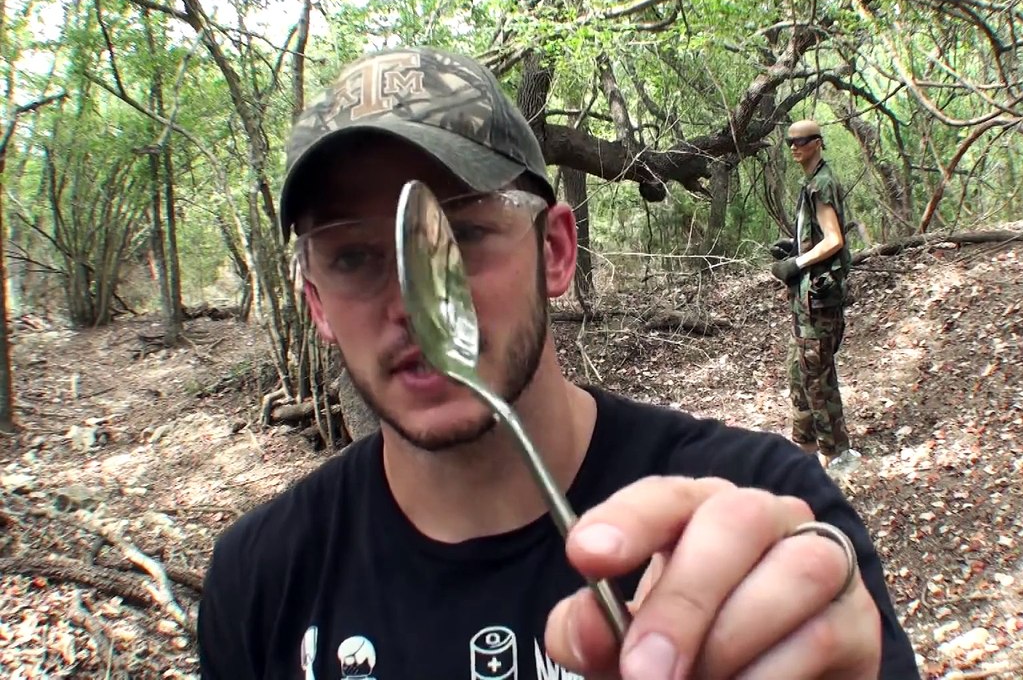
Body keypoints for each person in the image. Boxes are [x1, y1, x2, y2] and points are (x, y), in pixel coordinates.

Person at [197, 47, 920, 680]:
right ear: (316, 303)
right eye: (354, 257)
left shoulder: (755, 506)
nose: (410, 308)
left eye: (462, 235)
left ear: (555, 252)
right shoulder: (262, 583)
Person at [769, 120, 854, 471]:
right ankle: (802, 446)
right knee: (799, 372)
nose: (794, 147)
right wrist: (795, 245)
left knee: (817, 377)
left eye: (801, 141)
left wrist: (797, 262)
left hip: (819, 299)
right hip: (807, 301)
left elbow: (834, 239)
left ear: (817, 143)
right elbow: (821, 234)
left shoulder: (821, 183)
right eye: (790, 141)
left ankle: (836, 455)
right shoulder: (812, 182)